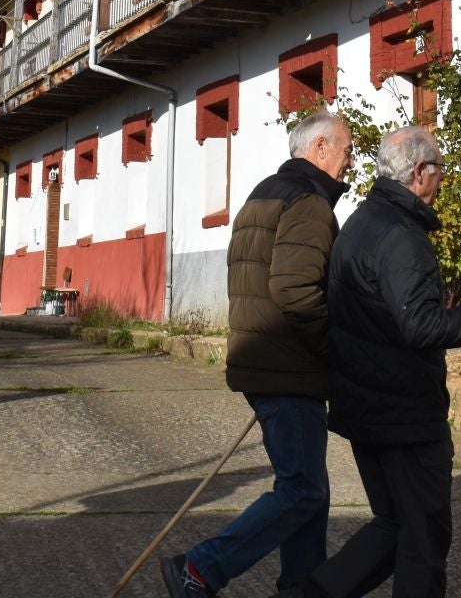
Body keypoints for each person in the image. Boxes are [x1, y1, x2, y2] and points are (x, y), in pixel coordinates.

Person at [289, 125, 461, 598]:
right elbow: (421, 326)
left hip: (367, 409)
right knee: (422, 539)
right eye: (440, 168)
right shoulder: (402, 236)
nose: (442, 178)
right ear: (421, 172)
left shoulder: (361, 223)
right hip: (403, 417)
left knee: (394, 529)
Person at [161, 108, 352, 598]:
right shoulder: (308, 202)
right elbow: (295, 291)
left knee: (310, 492)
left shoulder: (261, 194)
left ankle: (301, 588)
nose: (349, 162)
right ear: (320, 148)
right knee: (302, 491)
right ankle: (200, 569)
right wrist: (335, 349)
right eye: (346, 151)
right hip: (289, 368)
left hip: (264, 361)